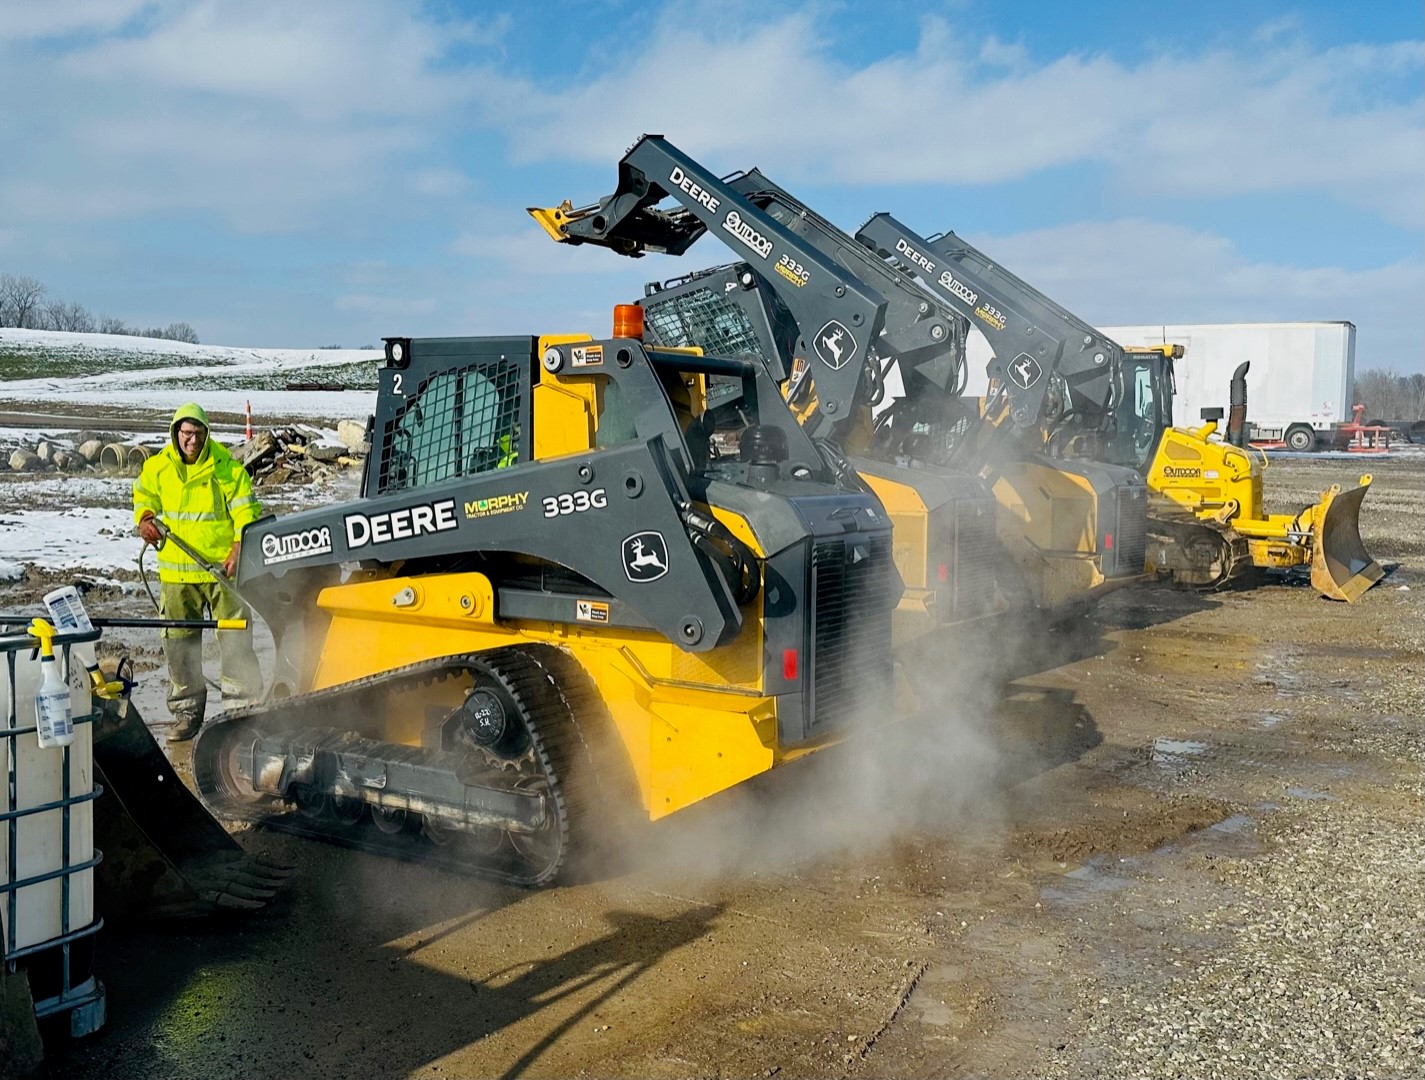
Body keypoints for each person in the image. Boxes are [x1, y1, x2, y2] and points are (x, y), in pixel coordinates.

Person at [133, 403, 264, 742]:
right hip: (178, 576)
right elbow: (143, 495)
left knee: (236, 640)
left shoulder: (226, 468)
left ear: (207, 434)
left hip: (223, 572)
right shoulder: (159, 467)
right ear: (176, 433)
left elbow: (247, 510)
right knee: (179, 646)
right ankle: (186, 713)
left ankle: (241, 712)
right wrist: (145, 518)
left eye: (198, 433)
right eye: (186, 433)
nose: (191, 440)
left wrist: (239, 545)